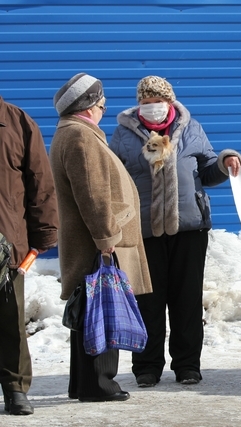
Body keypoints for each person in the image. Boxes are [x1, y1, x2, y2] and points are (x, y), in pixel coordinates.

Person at [109, 76, 241, 387]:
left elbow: (208, 170)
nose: (152, 106)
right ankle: (146, 367)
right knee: (148, 302)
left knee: (186, 300)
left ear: (169, 102)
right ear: (138, 103)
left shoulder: (190, 128)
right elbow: (114, 178)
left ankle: (187, 365)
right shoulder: (123, 134)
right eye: (146, 100)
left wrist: (226, 161)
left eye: (158, 100)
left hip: (189, 228)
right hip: (143, 231)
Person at [49, 73, 153, 401]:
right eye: (101, 102)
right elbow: (93, 194)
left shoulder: (72, 133)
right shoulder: (80, 137)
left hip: (93, 240)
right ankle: (100, 384)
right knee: (103, 310)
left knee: (88, 311)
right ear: (89, 105)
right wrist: (106, 237)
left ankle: (84, 384)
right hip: (102, 243)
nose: (103, 108)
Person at [0, 97, 59, 415]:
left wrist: (44, 235)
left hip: (6, 244)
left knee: (10, 320)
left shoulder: (18, 122)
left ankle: (15, 389)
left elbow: (41, 182)